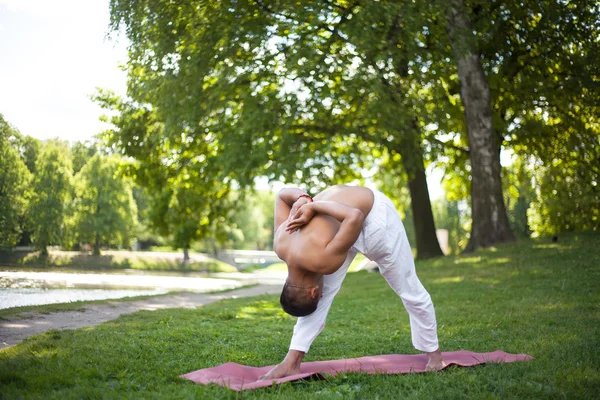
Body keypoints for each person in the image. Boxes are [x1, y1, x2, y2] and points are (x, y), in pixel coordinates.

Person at [259, 185, 446, 380]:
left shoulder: (324, 259)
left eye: (318, 295)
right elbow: (282, 195)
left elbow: (355, 216)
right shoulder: (280, 244)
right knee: (319, 290)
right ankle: (291, 362)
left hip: (374, 216)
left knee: (407, 286)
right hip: (343, 223)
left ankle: (435, 355)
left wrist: (312, 206)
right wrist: (302, 197)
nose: (321, 294)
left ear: (314, 291)